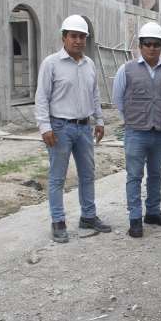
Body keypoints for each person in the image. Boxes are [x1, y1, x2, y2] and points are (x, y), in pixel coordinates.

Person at [35, 14, 111, 243]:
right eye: (74, 36)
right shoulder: (51, 64)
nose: (78, 41)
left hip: (84, 127)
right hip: (60, 128)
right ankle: (58, 221)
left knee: (87, 174)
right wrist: (44, 127)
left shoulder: (89, 65)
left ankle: (88, 216)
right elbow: (41, 97)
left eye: (82, 36)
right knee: (57, 177)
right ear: (64, 37)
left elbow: (95, 95)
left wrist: (99, 120)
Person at [112, 22, 161, 238]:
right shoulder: (126, 69)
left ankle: (153, 212)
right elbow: (118, 99)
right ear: (140, 45)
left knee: (156, 174)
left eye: (156, 44)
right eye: (147, 44)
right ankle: (135, 219)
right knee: (134, 176)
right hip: (136, 133)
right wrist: (131, 119)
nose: (151, 48)